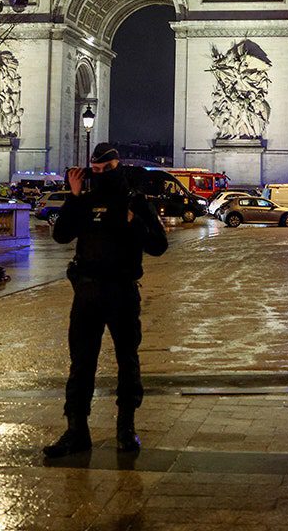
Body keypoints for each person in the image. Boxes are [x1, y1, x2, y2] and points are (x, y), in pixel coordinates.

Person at [44, 143, 168, 457]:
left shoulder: (136, 202)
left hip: (122, 292)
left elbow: (159, 246)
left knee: (128, 361)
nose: (100, 175)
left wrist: (133, 222)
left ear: (119, 167)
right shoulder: (82, 202)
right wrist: (72, 197)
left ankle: (126, 429)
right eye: (95, 171)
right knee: (80, 363)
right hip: (86, 293)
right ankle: (76, 430)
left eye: (106, 170)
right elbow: (61, 236)